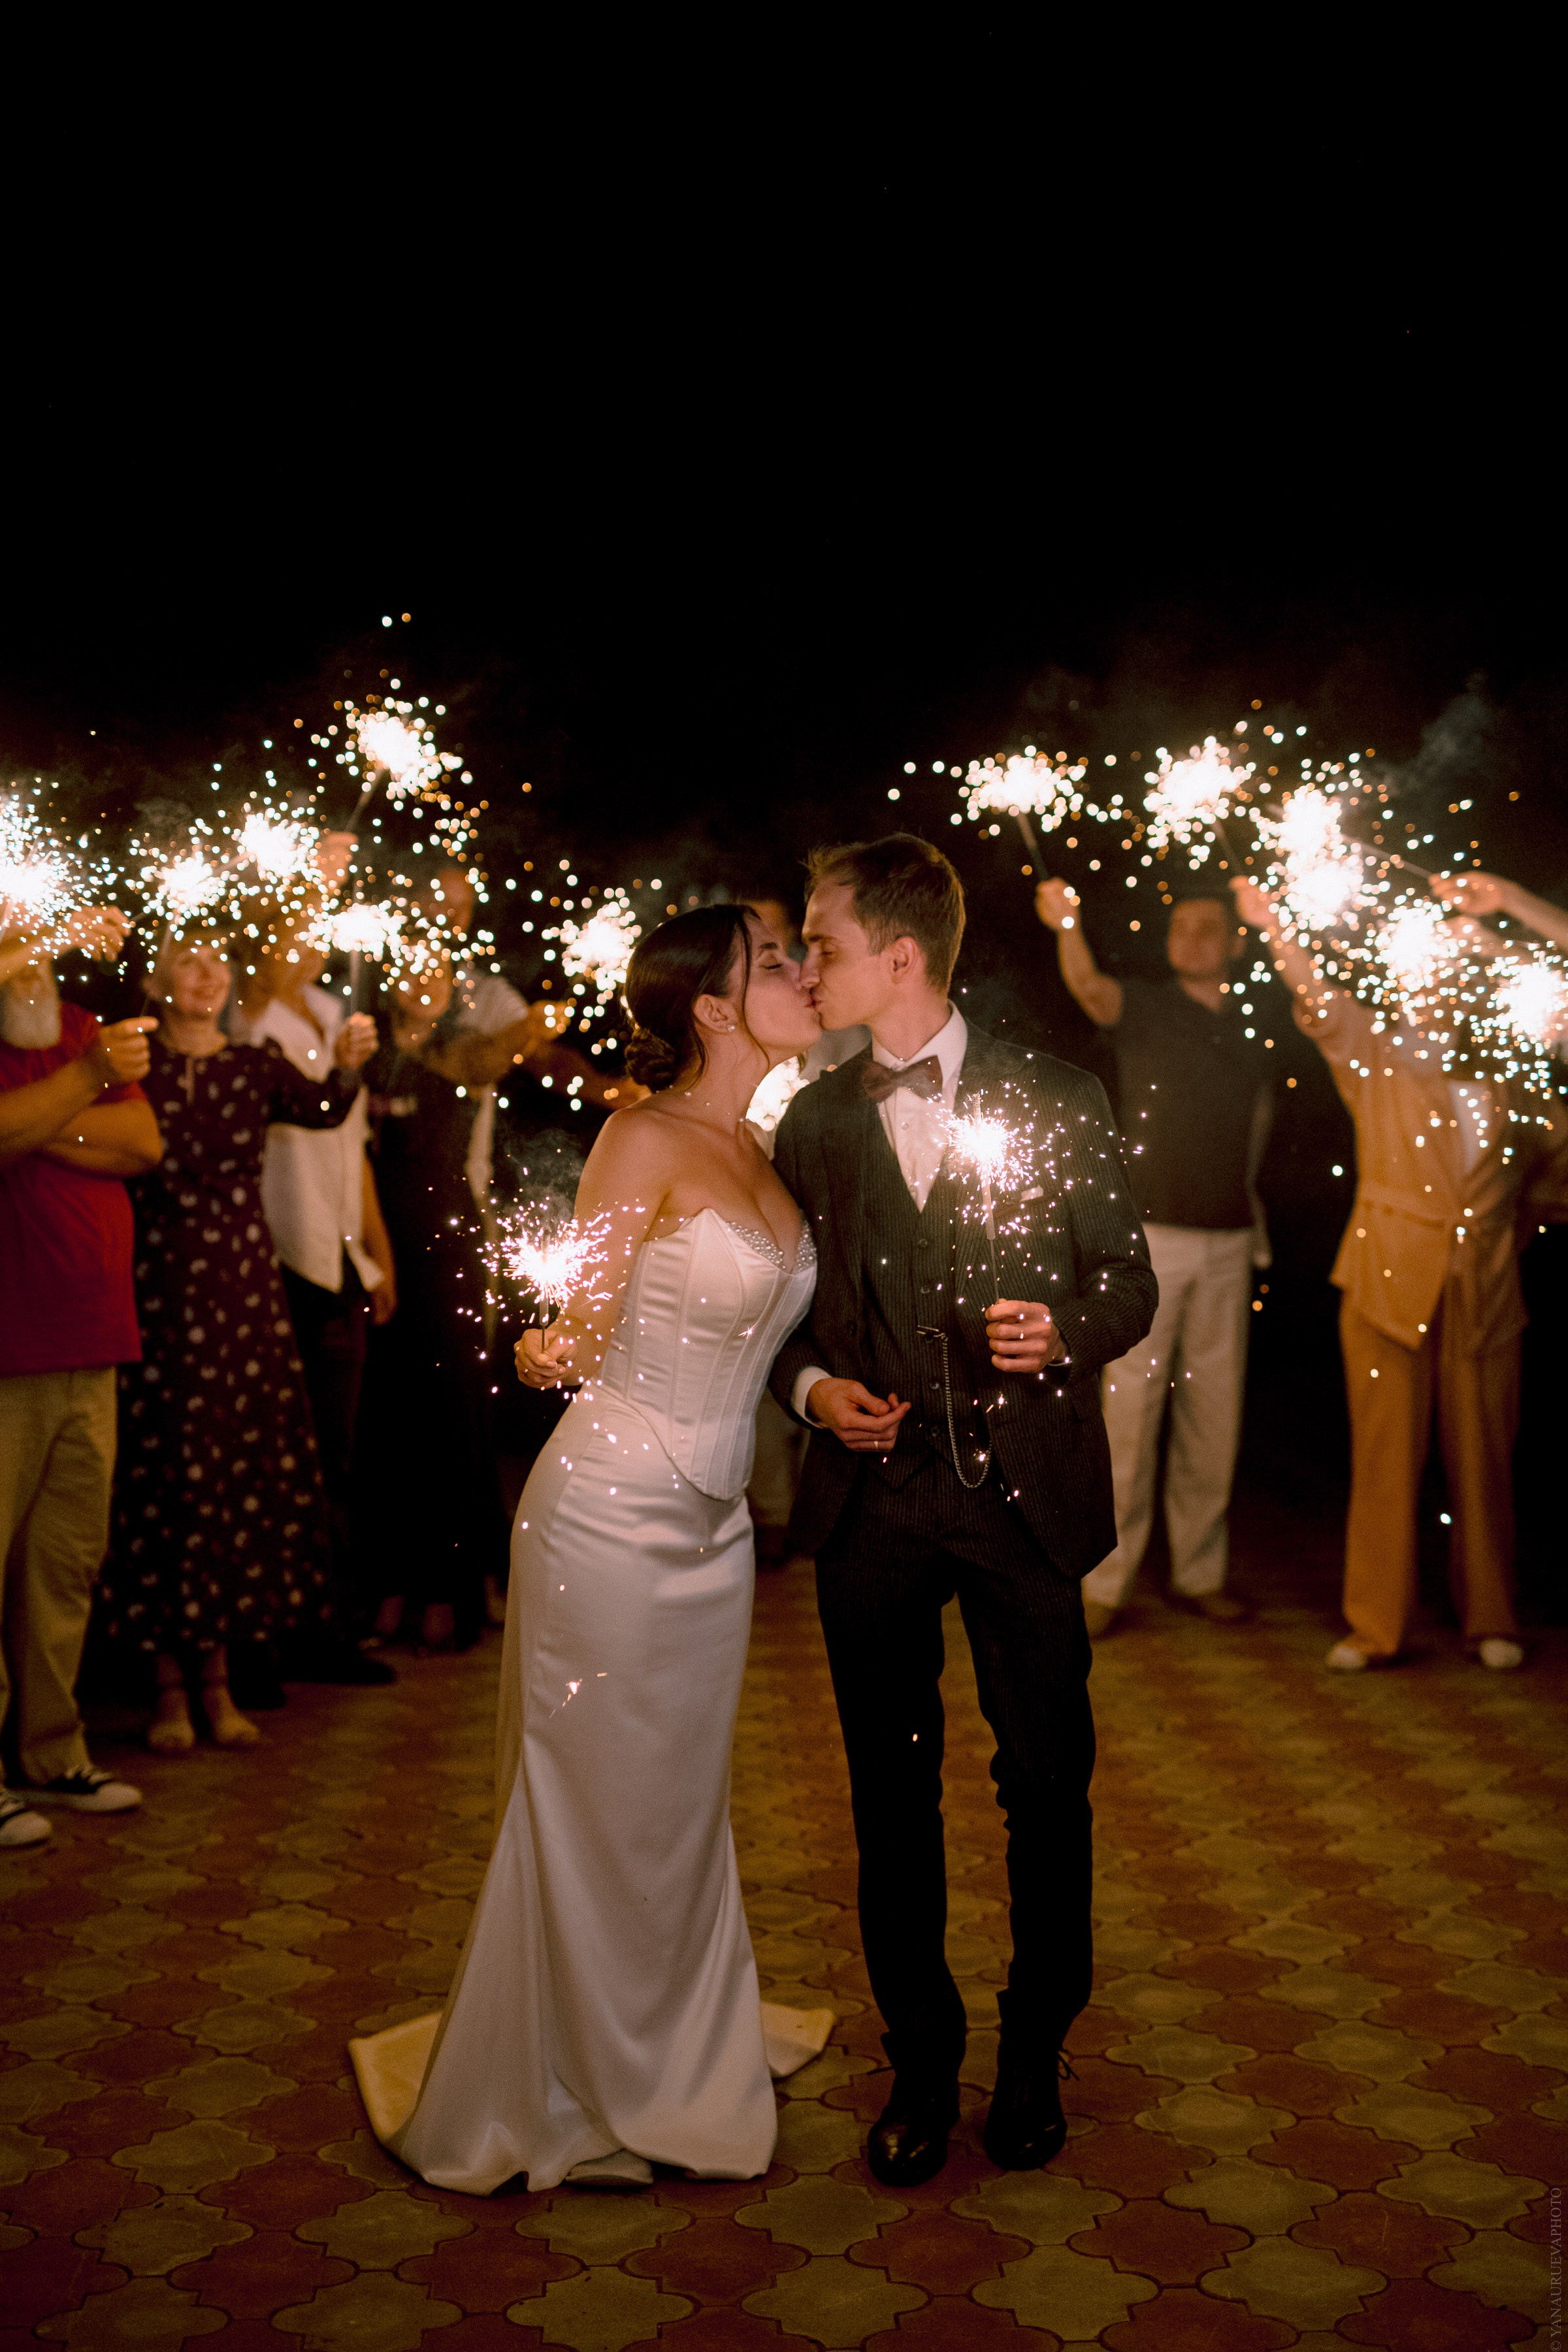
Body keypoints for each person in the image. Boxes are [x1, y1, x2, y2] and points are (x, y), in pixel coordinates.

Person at [348, 905, 830, 2191]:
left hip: (717, 1535)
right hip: (612, 1519)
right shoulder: (640, 1135)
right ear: (717, 1007)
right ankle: (578, 2074)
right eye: (774, 959)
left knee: (676, 1809)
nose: (801, 971)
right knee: (594, 1803)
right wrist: (548, 1343)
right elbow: (583, 1311)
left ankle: (679, 2036)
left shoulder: (777, 1146)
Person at [770, 835, 1156, 2186]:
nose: (804, 970)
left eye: (819, 946)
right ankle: (922, 2065)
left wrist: (1060, 1332)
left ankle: (1037, 2051)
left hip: (1025, 1503)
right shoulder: (813, 1121)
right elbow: (771, 1319)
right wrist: (816, 1389)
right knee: (893, 1793)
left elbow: (1129, 1284)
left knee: (1047, 1786)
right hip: (875, 1508)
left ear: (900, 955)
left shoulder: (1058, 1094)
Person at [1232, 875, 1568, 1671]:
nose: (1437, 987)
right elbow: (1314, 991)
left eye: (1456, 974)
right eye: (1426, 974)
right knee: (1384, 1461)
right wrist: (1274, 920)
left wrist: (1510, 912)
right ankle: (1375, 1625)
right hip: (1388, 1283)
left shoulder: (1523, 1082)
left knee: (1486, 1465)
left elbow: (1542, 1194)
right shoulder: (1376, 1056)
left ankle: (1491, 1617)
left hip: (1486, 1294)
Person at [97, 932, 377, 1752]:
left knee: (227, 1471)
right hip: (149, 1283)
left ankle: (218, 1680)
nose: (208, 974)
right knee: (161, 1477)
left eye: (219, 962)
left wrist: (354, 1059)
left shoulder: (253, 1065)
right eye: (189, 960)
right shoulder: (125, 1061)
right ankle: (164, 1688)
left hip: (240, 1289)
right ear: (159, 980)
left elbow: (325, 1106)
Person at [1035, 879, 1271, 1636]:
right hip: (1155, 1238)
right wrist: (1069, 922)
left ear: (1237, 943)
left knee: (1217, 1411)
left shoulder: (1252, 1024)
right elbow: (1087, 986)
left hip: (1230, 1237)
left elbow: (1260, 1114)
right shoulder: (1147, 1007)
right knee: (1131, 1410)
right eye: (1181, 928)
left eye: (1208, 929)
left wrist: (1254, 1199)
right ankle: (1107, 1584)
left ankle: (1201, 1573)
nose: (1191, 940)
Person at [0, 915, 159, 1849]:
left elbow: (143, 1142)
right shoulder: (86, 1056)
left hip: (92, 1338)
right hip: (8, 1344)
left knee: (64, 1565)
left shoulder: (75, 1030)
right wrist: (81, 1091)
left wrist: (47, 1117)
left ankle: (51, 1756)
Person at [233, 928, 397, 1674]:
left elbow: (349, 1138)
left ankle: (326, 1621)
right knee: (268, 1450)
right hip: (273, 1246)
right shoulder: (247, 1012)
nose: (304, 935)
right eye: (289, 917)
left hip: (337, 1253)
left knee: (336, 1451)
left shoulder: (335, 1010)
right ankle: (260, 1631)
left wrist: (374, 1247)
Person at [355, 958, 511, 1654]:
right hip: (382, 1246)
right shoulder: (365, 1054)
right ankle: (390, 1581)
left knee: (454, 1417)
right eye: (414, 965)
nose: (428, 979)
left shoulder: (464, 1056)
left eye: (442, 969)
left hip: (449, 1246)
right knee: (389, 1418)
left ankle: (457, 1584)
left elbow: (474, 1166)